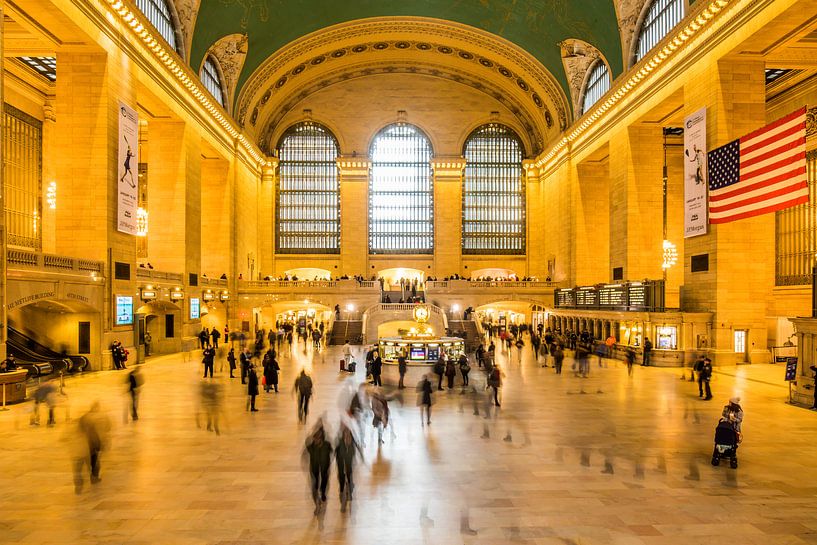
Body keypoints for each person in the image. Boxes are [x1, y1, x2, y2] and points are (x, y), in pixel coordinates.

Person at [74, 401, 111, 494]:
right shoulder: (98, 418)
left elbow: (79, 430)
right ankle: (93, 478)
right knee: (94, 463)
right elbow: (107, 428)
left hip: (82, 446)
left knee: (82, 464)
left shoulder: (83, 417)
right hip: (92, 446)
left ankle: (80, 482)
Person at [304, 422, 332, 514]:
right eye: (314, 438)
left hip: (324, 468)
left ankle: (323, 493)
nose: (315, 440)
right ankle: (317, 505)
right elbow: (306, 443)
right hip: (314, 468)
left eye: (317, 438)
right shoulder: (311, 447)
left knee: (323, 483)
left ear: (321, 439)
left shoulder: (327, 445)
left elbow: (331, 452)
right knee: (315, 486)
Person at [335, 424, 364, 512]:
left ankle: (349, 492)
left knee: (349, 477)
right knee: (341, 480)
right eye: (345, 434)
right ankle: (342, 497)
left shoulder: (353, 441)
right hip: (340, 463)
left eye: (348, 434)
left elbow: (358, 448)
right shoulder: (340, 442)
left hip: (349, 463)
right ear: (343, 435)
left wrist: (362, 457)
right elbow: (335, 452)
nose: (347, 436)